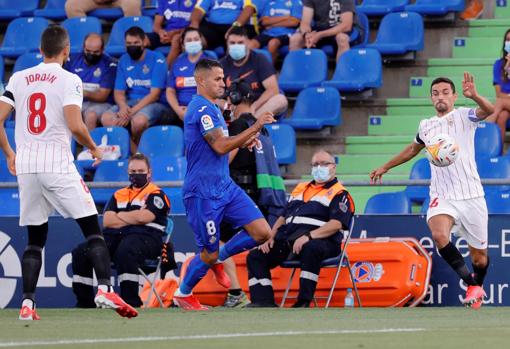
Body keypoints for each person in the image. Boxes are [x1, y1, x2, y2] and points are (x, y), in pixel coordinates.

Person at [0, 26, 137, 320]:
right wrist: (94, 148)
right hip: (57, 163)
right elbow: (76, 124)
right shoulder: (70, 78)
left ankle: (27, 303)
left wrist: (10, 153)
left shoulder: (19, 77)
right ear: (66, 51)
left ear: (40, 50)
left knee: (35, 238)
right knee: (91, 228)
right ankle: (104, 289)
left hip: (26, 166)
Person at [369, 74, 494, 309]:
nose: (440, 96)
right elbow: (412, 149)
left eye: (446, 92)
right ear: (431, 98)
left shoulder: (464, 115)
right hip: (442, 194)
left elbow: (489, 110)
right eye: (436, 93)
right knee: (438, 235)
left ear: (454, 96)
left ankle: (477, 284)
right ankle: (471, 285)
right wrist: (385, 166)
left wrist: (475, 95)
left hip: (472, 195)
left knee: (480, 258)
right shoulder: (426, 126)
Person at [172, 58, 276, 310]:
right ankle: (183, 293)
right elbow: (219, 145)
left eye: (223, 78)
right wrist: (255, 128)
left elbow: (220, 147)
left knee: (262, 232)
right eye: (217, 79)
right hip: (203, 192)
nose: (223, 83)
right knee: (207, 254)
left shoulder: (213, 108)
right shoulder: (202, 109)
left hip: (225, 187)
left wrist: (244, 141)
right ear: (201, 81)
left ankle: (218, 258)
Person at [247, 149, 354, 308]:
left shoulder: (340, 193)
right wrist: (270, 236)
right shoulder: (301, 188)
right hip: (290, 239)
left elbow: (336, 224)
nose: (319, 167)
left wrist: (309, 237)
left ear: (334, 167)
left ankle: (303, 301)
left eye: (324, 164)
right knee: (256, 255)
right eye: (316, 164)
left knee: (311, 248)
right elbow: (283, 217)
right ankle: (263, 301)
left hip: (324, 241)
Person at [72, 152, 171, 308]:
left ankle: (130, 302)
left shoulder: (156, 193)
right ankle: (85, 303)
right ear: (128, 173)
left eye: (141, 172)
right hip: (117, 236)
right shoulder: (119, 194)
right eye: (133, 172)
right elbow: (107, 220)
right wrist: (133, 216)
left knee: (126, 249)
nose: (136, 175)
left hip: (147, 238)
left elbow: (145, 217)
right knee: (82, 251)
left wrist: (120, 215)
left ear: (149, 173)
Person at [220, 79, 286, 307]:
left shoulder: (239, 126)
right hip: (261, 196)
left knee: (216, 242)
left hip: (240, 194)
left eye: (229, 98)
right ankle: (244, 294)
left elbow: (226, 160)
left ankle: (236, 292)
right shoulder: (262, 127)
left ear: (235, 99)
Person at [101, 26, 169, 148]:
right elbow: (119, 92)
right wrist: (123, 107)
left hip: (154, 103)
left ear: (144, 42)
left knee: (138, 122)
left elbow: (154, 95)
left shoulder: (157, 58)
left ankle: (140, 150)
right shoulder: (123, 60)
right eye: (129, 43)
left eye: (136, 43)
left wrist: (130, 113)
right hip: (130, 102)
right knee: (106, 118)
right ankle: (134, 152)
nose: (132, 46)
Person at [221, 26, 288, 118]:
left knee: (280, 100)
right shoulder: (221, 64)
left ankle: (248, 124)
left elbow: (273, 89)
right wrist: (228, 106)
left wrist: (254, 107)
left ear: (248, 43)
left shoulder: (259, 59)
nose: (236, 46)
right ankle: (246, 125)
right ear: (227, 44)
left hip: (257, 107)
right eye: (232, 43)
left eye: (240, 43)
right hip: (233, 109)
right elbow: (214, 95)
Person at [64, 33, 117, 130]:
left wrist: (82, 92)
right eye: (88, 51)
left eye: (96, 52)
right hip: (78, 101)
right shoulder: (72, 60)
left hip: (101, 104)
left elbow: (102, 96)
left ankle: (89, 145)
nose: (91, 54)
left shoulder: (109, 64)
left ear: (102, 50)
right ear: (83, 47)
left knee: (91, 115)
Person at [289, 0, 364, 62]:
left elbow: (346, 26)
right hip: (321, 29)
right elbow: (305, 22)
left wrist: (320, 35)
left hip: (345, 30)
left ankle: (342, 75)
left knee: (342, 38)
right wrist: (307, 35)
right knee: (295, 39)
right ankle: (296, 76)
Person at [165, 27, 210, 123]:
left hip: (202, 108)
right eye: (189, 40)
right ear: (183, 44)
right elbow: (170, 91)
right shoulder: (177, 63)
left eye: (196, 39)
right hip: (180, 109)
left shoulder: (210, 62)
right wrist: (178, 110)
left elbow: (213, 91)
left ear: (201, 41)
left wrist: (192, 108)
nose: (193, 42)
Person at [189, 0, 259, 51]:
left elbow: (249, 8)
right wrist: (194, 23)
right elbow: (199, 9)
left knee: (236, 38)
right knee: (195, 36)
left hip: (236, 25)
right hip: (212, 27)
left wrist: (236, 26)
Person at [146, 0, 197, 66]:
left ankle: (165, 72)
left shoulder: (196, 1)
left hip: (186, 32)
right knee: (143, 39)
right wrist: (161, 33)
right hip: (168, 33)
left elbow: (195, 24)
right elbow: (156, 25)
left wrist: (175, 33)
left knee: (176, 39)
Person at [486, 28, 510, 142]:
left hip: (503, 102)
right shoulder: (498, 65)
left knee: (500, 103)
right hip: (506, 104)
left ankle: (482, 130)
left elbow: (501, 98)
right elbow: (499, 93)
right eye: (508, 40)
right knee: (502, 117)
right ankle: (497, 153)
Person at [65, 0, 141, 18]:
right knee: (71, 5)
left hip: (118, 1)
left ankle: (133, 38)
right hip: (95, 1)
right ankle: (86, 39)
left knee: (133, 3)